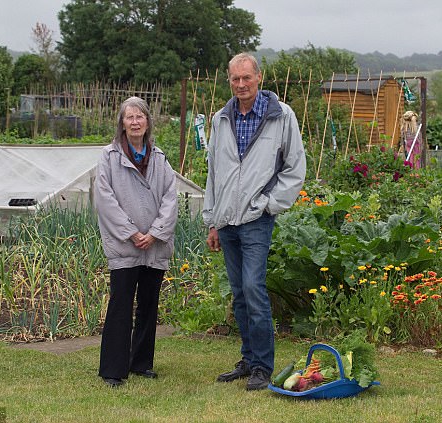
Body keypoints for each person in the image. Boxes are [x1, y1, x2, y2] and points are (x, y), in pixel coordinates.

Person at [202, 52, 306, 391]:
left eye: (247, 78)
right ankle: (248, 360)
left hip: (257, 219)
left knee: (253, 289)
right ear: (229, 80)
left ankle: (263, 365)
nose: (241, 84)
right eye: (235, 79)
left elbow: (294, 169)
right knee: (239, 294)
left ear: (259, 77)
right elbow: (214, 173)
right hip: (227, 220)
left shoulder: (281, 115)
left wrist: (267, 204)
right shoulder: (221, 119)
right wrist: (212, 220)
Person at [94, 96, 178, 388]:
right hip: (125, 244)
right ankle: (113, 369)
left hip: (154, 245)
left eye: (139, 117)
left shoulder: (160, 157)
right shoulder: (108, 157)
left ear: (147, 122)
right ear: (122, 123)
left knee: (148, 304)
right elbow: (105, 199)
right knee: (120, 304)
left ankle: (141, 363)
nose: (135, 122)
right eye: (129, 117)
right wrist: (131, 232)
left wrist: (155, 232)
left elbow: (170, 197)